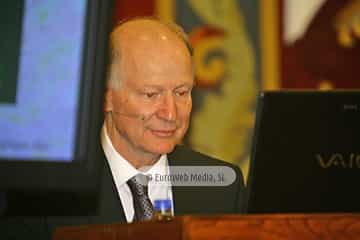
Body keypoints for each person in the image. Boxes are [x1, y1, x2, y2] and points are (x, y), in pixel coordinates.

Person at [2, 17, 246, 239]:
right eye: (151, 94)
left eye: (182, 92)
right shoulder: (43, 194)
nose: (171, 113)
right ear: (106, 96)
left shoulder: (222, 187)